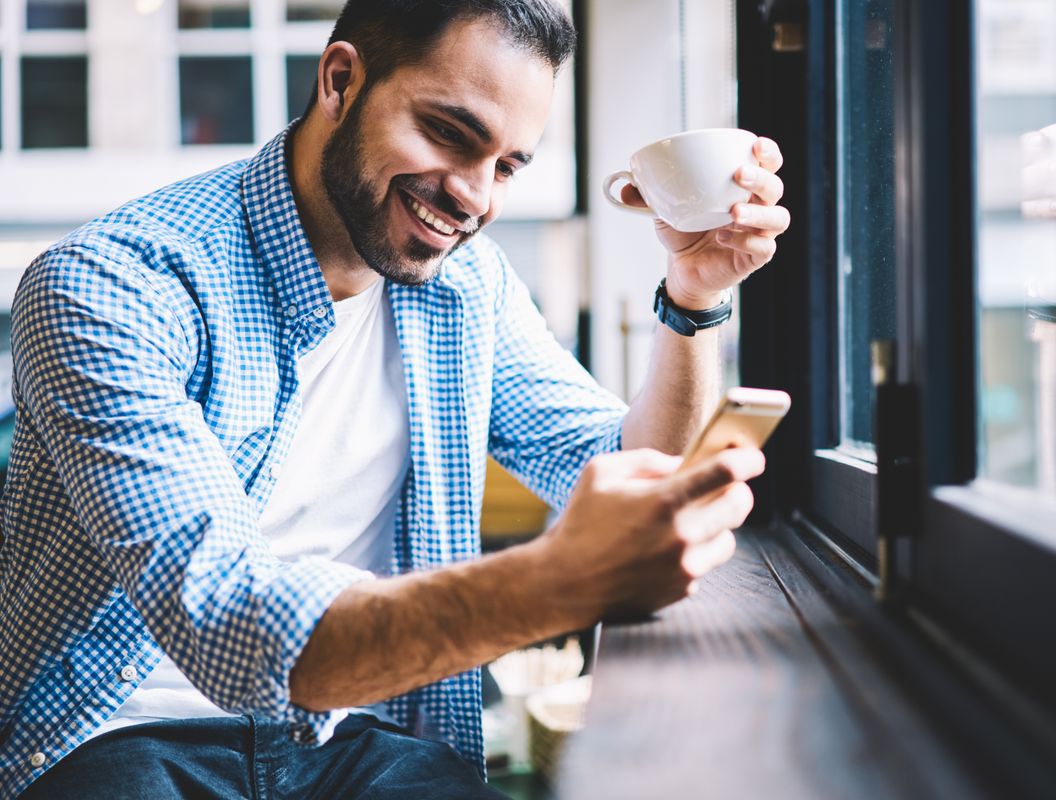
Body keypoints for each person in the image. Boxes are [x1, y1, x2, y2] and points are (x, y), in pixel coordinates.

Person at [0, 1, 789, 796]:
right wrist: (558, 580)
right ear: (342, 79)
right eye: (450, 134)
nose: (475, 199)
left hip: (359, 742)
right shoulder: (111, 285)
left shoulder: (465, 288)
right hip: (118, 739)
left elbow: (635, 468)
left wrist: (693, 297)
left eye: (508, 165)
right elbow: (229, 622)